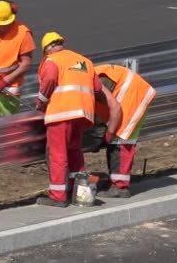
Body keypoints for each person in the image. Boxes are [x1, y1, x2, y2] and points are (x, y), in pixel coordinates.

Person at [35, 32, 121, 207]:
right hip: (83, 115)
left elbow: (50, 78)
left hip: (61, 113)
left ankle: (58, 196)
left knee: (57, 153)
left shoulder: (52, 60)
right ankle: (79, 192)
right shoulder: (85, 62)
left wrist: (41, 101)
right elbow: (97, 89)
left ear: (47, 49)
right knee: (74, 151)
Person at [93, 64, 156, 198]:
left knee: (120, 142)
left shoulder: (92, 81)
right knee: (117, 142)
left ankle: (120, 187)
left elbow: (114, 108)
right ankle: (115, 182)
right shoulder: (87, 77)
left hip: (132, 98)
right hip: (130, 95)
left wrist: (109, 133)